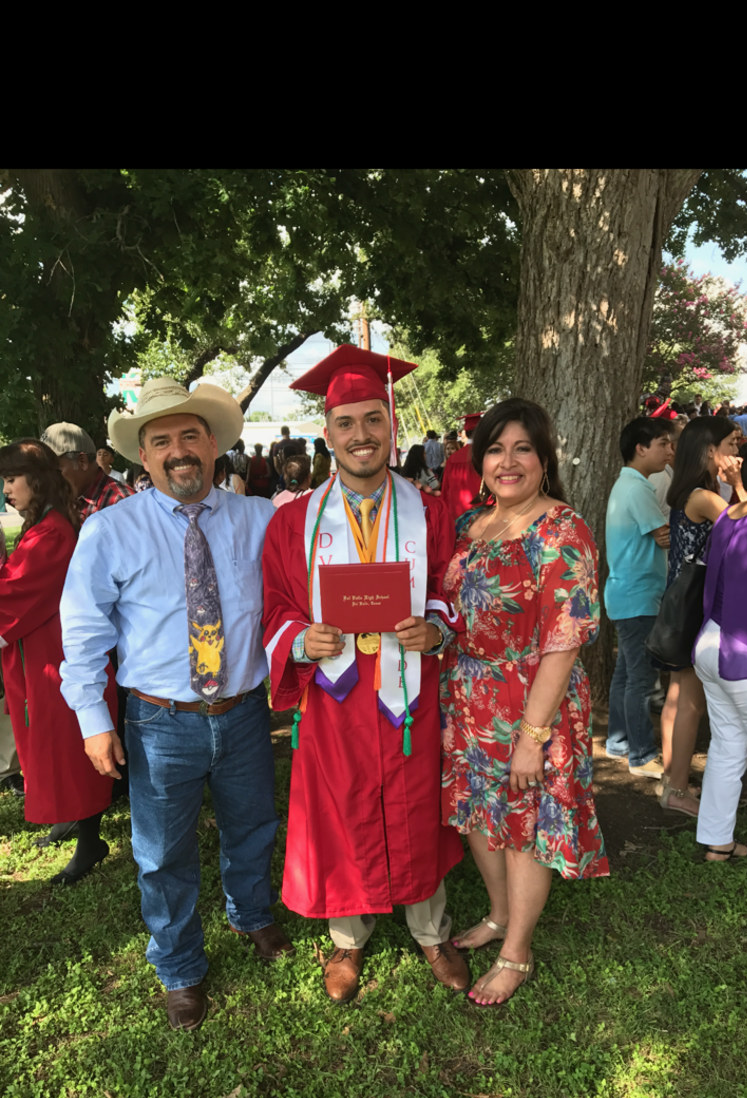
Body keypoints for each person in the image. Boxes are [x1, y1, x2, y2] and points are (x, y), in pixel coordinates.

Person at [59, 378, 291, 1033]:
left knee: (252, 826)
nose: (178, 450)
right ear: (143, 454)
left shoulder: (261, 519)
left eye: (191, 435)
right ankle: (181, 966)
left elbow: (300, 590)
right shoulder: (108, 531)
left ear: (215, 444)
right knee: (162, 854)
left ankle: (250, 913)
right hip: (159, 721)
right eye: (161, 440)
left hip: (245, 712)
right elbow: (82, 633)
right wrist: (93, 720)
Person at [263, 344, 467, 1005]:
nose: (361, 435)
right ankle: (348, 938)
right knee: (341, 808)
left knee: (415, 807)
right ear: (328, 433)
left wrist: (434, 626)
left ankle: (430, 929)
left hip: (408, 693)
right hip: (336, 696)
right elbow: (274, 608)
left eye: (373, 420)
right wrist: (301, 640)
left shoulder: (432, 513)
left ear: (392, 427)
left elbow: (447, 590)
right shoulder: (293, 522)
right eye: (346, 422)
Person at [440, 398, 608, 1007]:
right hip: (470, 697)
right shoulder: (471, 526)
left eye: (522, 450)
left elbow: (564, 641)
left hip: (533, 699)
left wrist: (533, 736)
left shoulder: (561, 529)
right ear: (480, 460)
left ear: (543, 461)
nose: (507, 461)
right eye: (495, 448)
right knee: (480, 817)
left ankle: (518, 951)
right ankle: (498, 914)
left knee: (521, 824)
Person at [0, 441, 116, 883]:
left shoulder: (52, 533)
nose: (7, 489)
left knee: (68, 750)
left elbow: (13, 594)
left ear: (38, 479)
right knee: (50, 748)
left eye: (12, 479)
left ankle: (91, 841)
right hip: (40, 655)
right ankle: (69, 819)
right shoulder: (44, 526)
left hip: (60, 660)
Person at [658, 418, 744, 816]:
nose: (737, 450)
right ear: (710, 451)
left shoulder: (693, 491)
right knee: (691, 701)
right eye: (731, 442)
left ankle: (671, 779)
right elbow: (745, 528)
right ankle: (677, 789)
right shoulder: (703, 496)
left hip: (680, 602)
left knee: (678, 694)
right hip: (694, 608)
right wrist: (741, 484)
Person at [693, 442, 747, 861]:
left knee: (727, 745)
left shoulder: (729, 517)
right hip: (745, 653)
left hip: (710, 644)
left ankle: (717, 841)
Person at [604, 417, 672, 778]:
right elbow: (663, 535)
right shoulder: (636, 488)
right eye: (663, 444)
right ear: (640, 448)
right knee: (641, 681)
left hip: (628, 594)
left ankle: (618, 743)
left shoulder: (629, 484)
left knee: (626, 675)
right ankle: (642, 755)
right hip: (638, 596)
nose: (669, 451)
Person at [41, 422, 134, 521]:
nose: (50, 479)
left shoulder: (121, 505)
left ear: (82, 461)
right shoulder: (66, 500)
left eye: (56, 470)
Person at [440, 412, 482, 521]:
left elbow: (445, 490)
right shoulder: (486, 455)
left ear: (466, 433)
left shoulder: (453, 459)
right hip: (483, 511)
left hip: (458, 514)